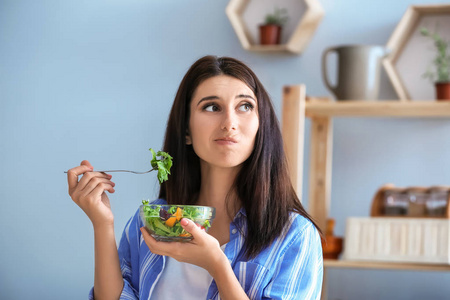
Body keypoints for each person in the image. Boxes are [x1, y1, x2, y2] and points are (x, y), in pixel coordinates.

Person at [67, 55, 323, 300]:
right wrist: (102, 224)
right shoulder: (152, 220)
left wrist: (217, 265)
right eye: (212, 107)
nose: (230, 122)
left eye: (245, 106)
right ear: (186, 131)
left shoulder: (295, 235)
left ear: (260, 126)